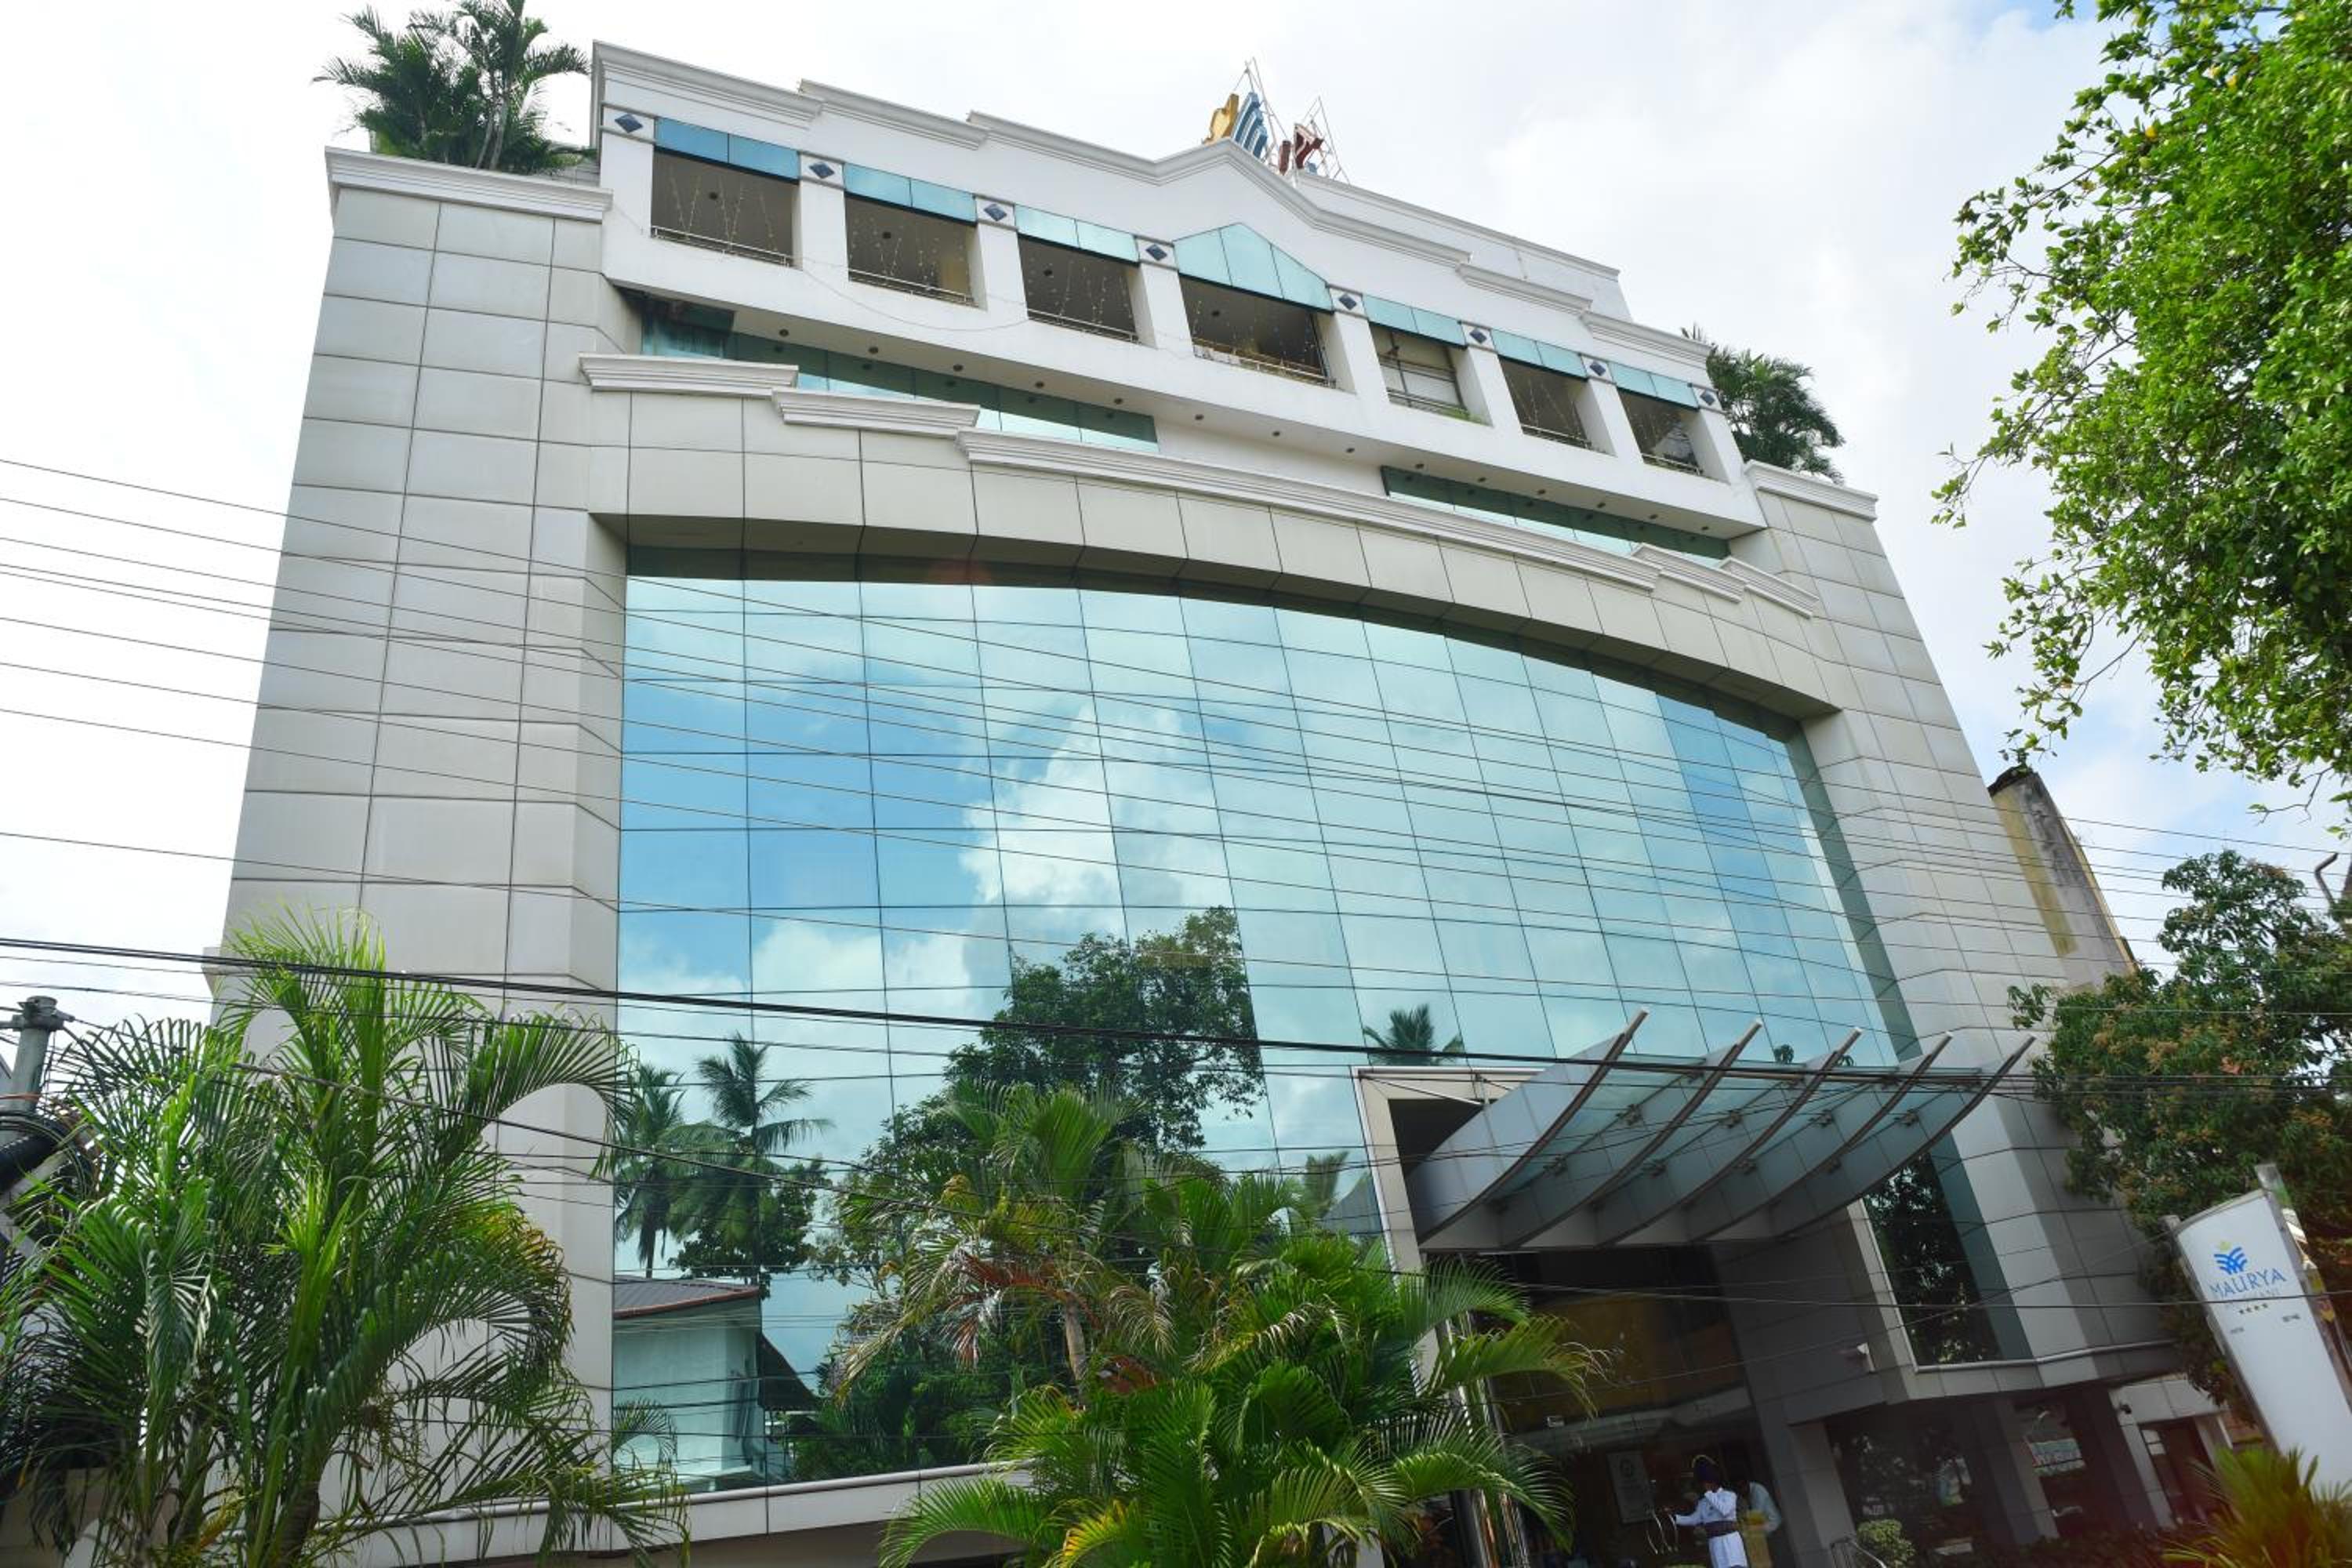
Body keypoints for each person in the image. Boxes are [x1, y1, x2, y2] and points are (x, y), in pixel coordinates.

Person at [1670, 1457, 1749, 1568]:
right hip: (1715, 1544)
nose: (1702, 1486)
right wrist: (1673, 1518)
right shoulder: (1703, 1502)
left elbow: (1725, 1511)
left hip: (1731, 1542)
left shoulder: (1729, 1495)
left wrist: (1709, 1493)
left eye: (1704, 1483)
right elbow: (1693, 1519)